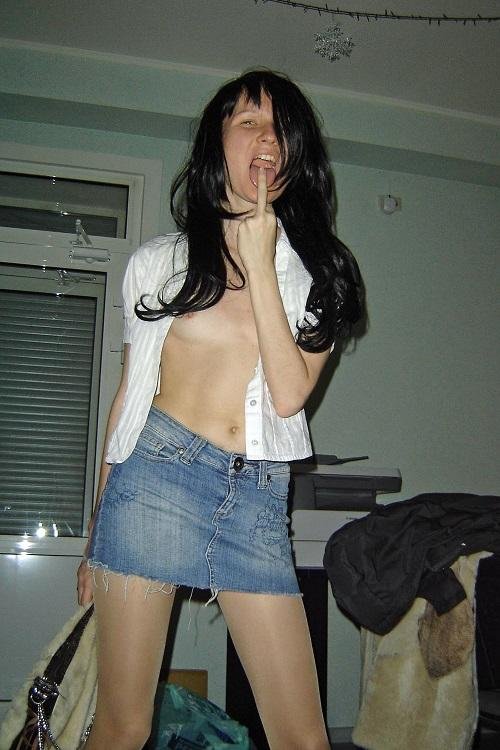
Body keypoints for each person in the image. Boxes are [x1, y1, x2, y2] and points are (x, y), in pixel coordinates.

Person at [77, 69, 364, 750]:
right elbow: (128, 403)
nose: (267, 138)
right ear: (219, 143)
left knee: (303, 737)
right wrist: (94, 535)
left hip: (256, 500)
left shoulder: (320, 276)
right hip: (155, 478)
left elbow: (290, 395)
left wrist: (262, 263)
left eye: (281, 129)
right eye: (248, 121)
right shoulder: (159, 262)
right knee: (123, 725)